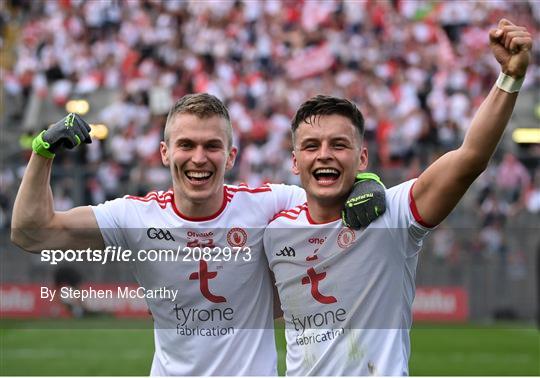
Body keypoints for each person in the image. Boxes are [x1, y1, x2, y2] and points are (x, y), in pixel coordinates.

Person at [11, 94, 386, 375]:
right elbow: (32, 233)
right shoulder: (135, 216)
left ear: (231, 156)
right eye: (186, 145)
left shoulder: (267, 203)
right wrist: (43, 151)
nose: (199, 158)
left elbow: (329, 188)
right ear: (164, 152)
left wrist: (368, 181)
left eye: (212, 146)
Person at [263, 19, 532, 376]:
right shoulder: (275, 232)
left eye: (339, 145)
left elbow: (470, 158)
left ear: (362, 158)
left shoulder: (393, 214)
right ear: (295, 162)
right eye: (311, 146)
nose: (324, 154)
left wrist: (509, 78)